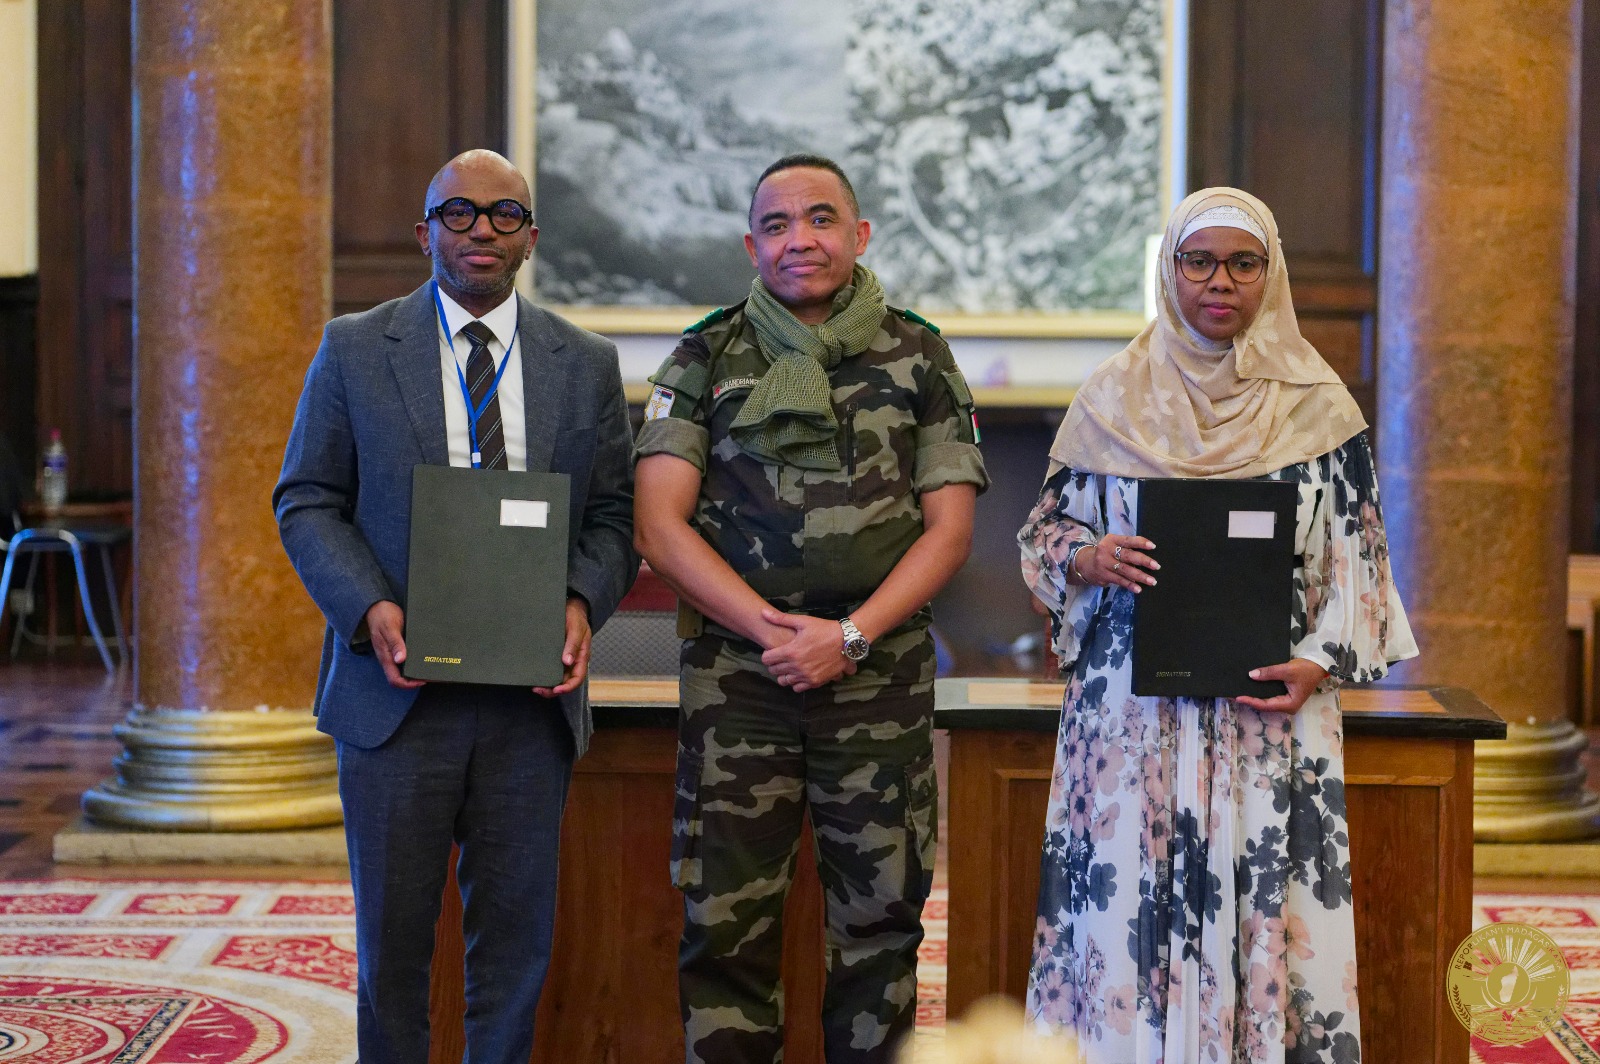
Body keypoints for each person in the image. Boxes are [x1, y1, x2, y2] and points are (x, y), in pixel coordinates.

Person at [1018, 187, 1417, 1062]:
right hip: (1132, 717)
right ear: (1170, 270)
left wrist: (1320, 661)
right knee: (1125, 904)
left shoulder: (1318, 405)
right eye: (1199, 262)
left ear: (1271, 276)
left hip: (1267, 713)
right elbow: (1044, 534)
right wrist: (1088, 557)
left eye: (1243, 263)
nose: (1220, 282)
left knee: (1266, 903)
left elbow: (1360, 560)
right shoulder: (1112, 397)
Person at [273, 149, 636, 1064]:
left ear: (531, 237)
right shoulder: (355, 348)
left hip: (528, 704)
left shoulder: (585, 363)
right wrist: (368, 608)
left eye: (504, 214)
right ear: (424, 231)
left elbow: (614, 515)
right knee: (393, 947)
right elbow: (307, 499)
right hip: (396, 699)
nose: (481, 229)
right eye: (459, 212)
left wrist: (581, 602)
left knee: (514, 947)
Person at [634, 153, 988, 1064]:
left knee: (882, 925)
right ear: (751, 245)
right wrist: (773, 633)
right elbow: (660, 527)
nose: (801, 240)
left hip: (879, 679)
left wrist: (850, 637)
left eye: (821, 219)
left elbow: (949, 531)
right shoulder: (705, 354)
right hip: (738, 680)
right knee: (725, 924)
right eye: (778, 224)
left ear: (859, 234)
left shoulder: (919, 354)